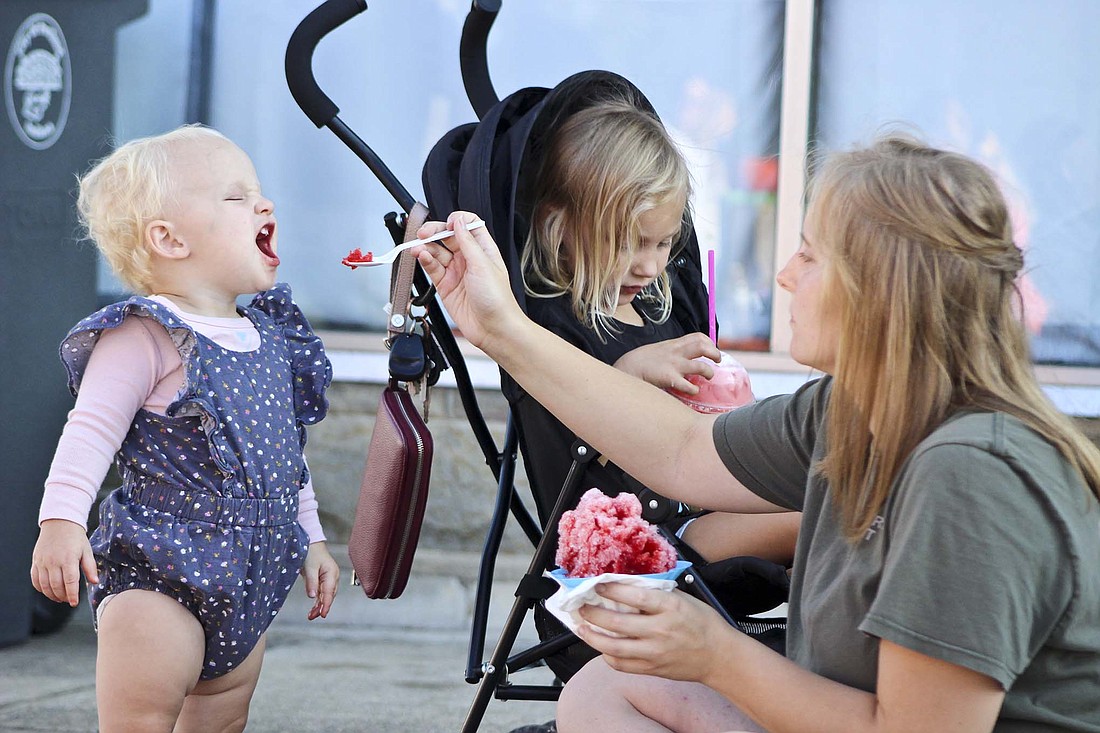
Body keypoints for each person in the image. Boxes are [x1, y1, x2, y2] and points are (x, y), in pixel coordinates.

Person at [412, 134, 1100, 731]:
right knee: (605, 687)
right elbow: (682, 448)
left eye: (809, 254)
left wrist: (717, 652)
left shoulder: (972, 475)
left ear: (881, 291)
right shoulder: (851, 409)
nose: (784, 275)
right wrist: (501, 330)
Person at [30, 124, 339, 733]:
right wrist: (61, 522)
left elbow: (284, 455)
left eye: (259, 192)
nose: (264, 204)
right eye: (236, 196)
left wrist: (313, 537)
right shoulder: (145, 333)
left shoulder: (269, 337)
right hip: (161, 571)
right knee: (142, 718)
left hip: (252, 573)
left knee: (224, 719)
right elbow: (89, 431)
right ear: (168, 239)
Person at [512, 93, 800, 567]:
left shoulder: (660, 309)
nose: (650, 265)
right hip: (645, 534)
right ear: (558, 226)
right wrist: (628, 374)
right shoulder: (550, 332)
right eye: (629, 243)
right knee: (821, 517)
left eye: (665, 243)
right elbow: (580, 456)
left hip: (706, 503)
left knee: (838, 494)